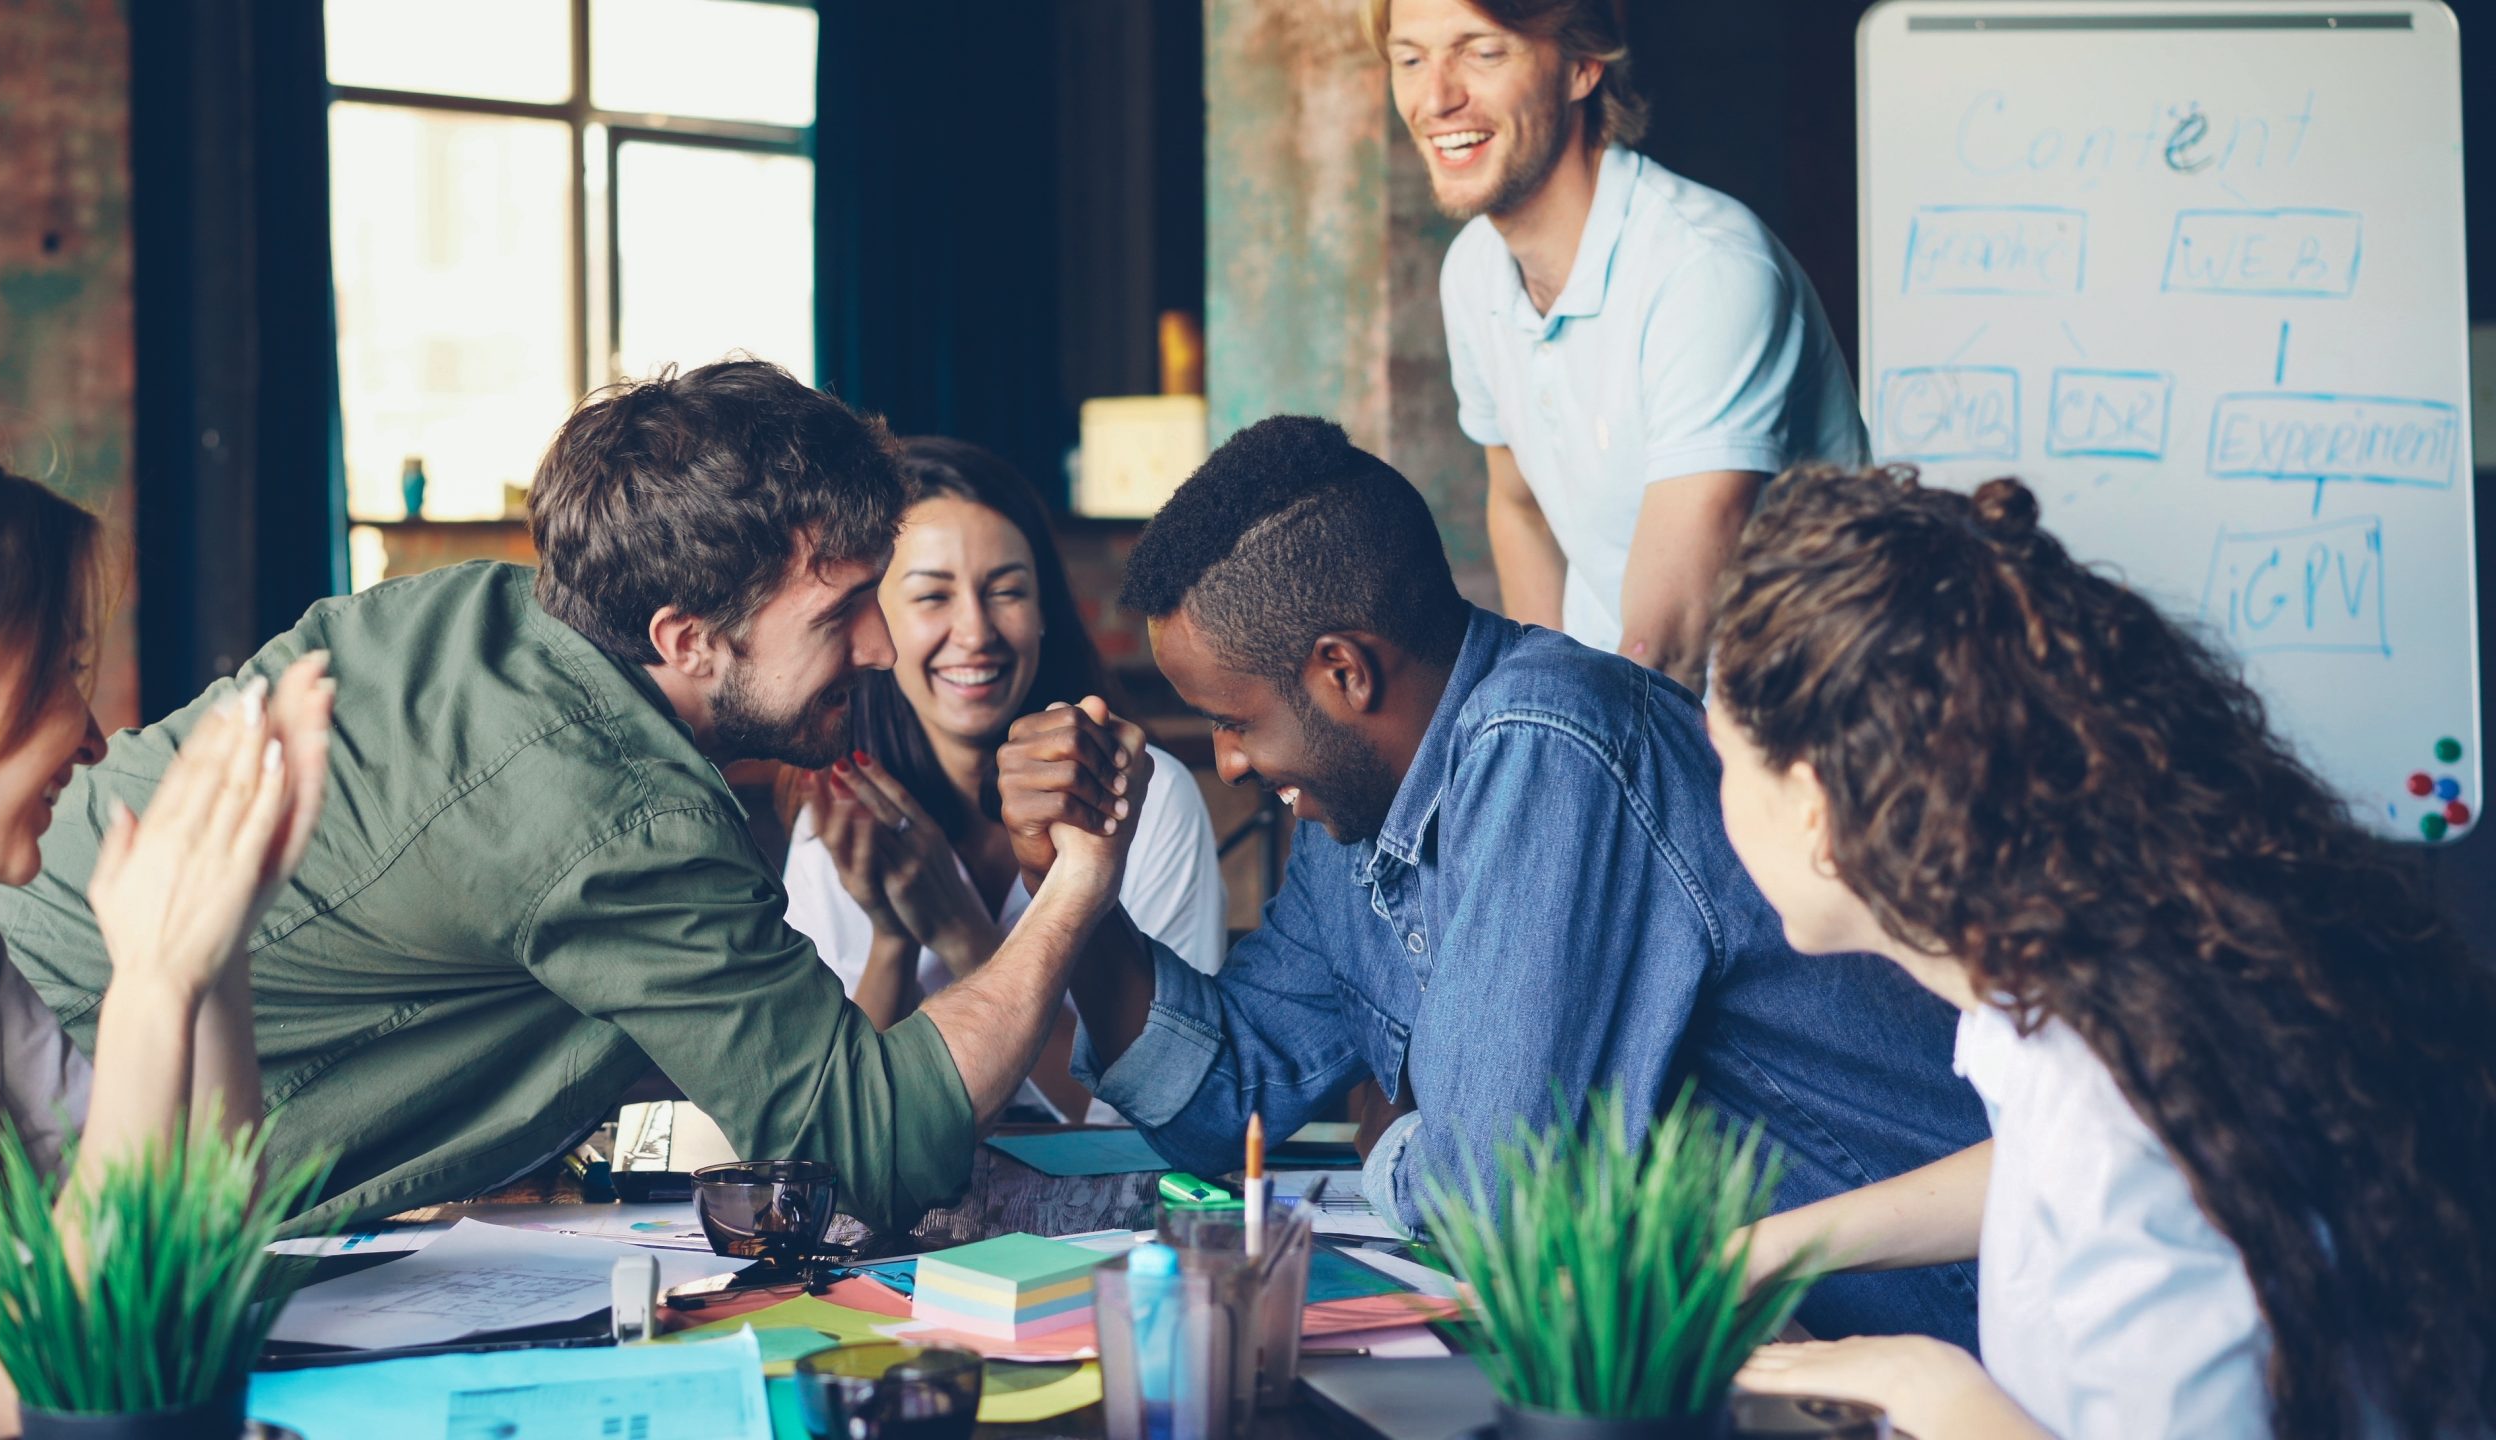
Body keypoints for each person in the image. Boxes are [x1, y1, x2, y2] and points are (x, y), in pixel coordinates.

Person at [0, 360, 1152, 1232]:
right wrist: (1076, 889)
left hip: (23, 971)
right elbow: (875, 1141)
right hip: (42, 1103)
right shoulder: (624, 815)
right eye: (839, 611)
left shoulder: (477, 611)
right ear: (687, 640)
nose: (883, 648)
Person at [996, 416, 1987, 1344]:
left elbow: (1493, 1204)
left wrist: (1394, 1146)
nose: (1230, 766)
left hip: (1938, 1323)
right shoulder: (1353, 815)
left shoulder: (1551, 744)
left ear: (1344, 672)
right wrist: (1072, 886)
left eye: (1233, 720)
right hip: (1740, 1343)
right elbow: (1219, 1103)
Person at [1708, 467, 2496, 1439]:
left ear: (1817, 816)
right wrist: (1773, 1246)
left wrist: (1930, 1391)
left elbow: (2101, 1169)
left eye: (1725, 767)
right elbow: (2045, 1159)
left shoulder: (2115, 1131)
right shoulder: (2074, 977)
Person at [0, 451, 336, 1437]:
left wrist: (216, 940)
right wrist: (152, 987)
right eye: (66, 667)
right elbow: (63, 1390)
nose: (95, 737)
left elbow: (193, 1255)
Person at [1377, 0, 1866, 687]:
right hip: (1629, 714)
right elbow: (1522, 510)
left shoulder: (1704, 269)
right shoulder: (1473, 270)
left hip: (1803, 738)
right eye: (1409, 59)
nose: (1437, 98)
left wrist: (1565, 762)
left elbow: (1667, 648)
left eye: (1483, 53)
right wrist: (1543, 706)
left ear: (1582, 66)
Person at [786, 437, 1223, 1123]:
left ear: (1045, 610)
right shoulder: (843, 811)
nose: (975, 631)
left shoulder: (1144, 795)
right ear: (878, 620)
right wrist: (894, 942)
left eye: (1007, 592)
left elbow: (1156, 1119)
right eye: (932, 596)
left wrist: (962, 937)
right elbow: (834, 1119)